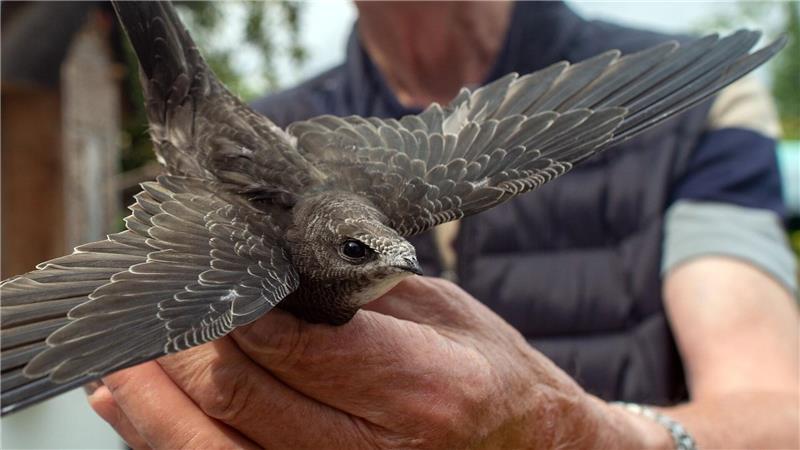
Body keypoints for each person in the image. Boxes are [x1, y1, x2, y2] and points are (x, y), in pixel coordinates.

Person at [88, 2, 799, 448]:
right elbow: (140, 365)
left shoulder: (703, 115)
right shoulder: (261, 137)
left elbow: (782, 413)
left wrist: (593, 437)